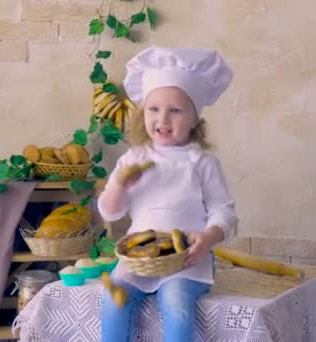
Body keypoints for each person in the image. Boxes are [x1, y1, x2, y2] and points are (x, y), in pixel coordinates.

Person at [97, 46, 238, 342]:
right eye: (153, 109)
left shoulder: (202, 161)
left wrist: (208, 238)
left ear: (195, 119)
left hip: (186, 259)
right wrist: (119, 185)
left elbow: (223, 211)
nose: (163, 118)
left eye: (175, 110)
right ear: (143, 113)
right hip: (138, 259)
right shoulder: (132, 159)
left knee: (176, 307)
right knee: (113, 299)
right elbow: (110, 212)